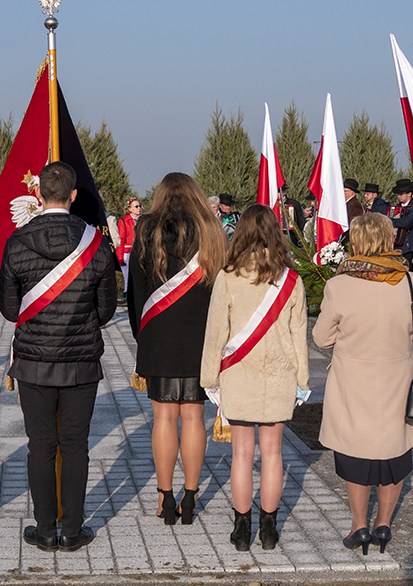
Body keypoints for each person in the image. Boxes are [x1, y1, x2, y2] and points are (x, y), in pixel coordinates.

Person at [0, 161, 116, 553]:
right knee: (76, 446)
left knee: (40, 446)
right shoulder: (96, 243)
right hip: (81, 362)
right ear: (73, 195)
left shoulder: (16, 243)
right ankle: (73, 530)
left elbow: (10, 310)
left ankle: (45, 529)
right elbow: (107, 312)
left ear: (38, 195)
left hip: (32, 363)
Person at [313, 212, 413, 555]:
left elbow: (322, 337)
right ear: (389, 238)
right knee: (393, 454)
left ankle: (359, 526)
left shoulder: (339, 286)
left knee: (355, 455)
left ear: (356, 241)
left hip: (353, 381)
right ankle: (384, 525)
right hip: (397, 380)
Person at [201, 204, 309, 551]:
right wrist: (303, 381)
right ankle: (270, 529)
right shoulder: (292, 280)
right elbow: (298, 335)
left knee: (242, 455)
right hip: (279, 376)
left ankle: (241, 529)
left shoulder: (228, 277)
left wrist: (209, 377)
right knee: (273, 454)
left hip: (239, 375)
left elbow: (215, 332)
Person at [127, 172, 225, 526]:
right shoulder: (211, 228)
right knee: (193, 418)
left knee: (164, 418)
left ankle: (164, 498)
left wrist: (143, 333)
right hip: (201, 336)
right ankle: (191, 495)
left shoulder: (146, 228)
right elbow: (220, 289)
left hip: (158, 335)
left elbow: (135, 289)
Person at [387, 179, 413, 267]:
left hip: (407, 247)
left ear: (409, 194)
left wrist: (388, 221)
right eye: (398, 194)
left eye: (401, 194)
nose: (398, 196)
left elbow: (406, 223)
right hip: (395, 246)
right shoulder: (397, 208)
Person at [117, 197, 141, 301]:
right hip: (127, 252)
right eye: (136, 206)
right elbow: (121, 240)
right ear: (130, 209)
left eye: (139, 206)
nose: (139, 208)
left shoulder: (143, 220)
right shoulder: (124, 221)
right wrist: (120, 257)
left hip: (139, 251)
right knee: (126, 273)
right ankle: (124, 293)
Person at [342, 178, 364, 243]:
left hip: (350, 241)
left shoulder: (354, 204)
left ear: (351, 192)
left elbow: (355, 224)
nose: (343, 193)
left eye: (345, 191)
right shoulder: (349, 203)